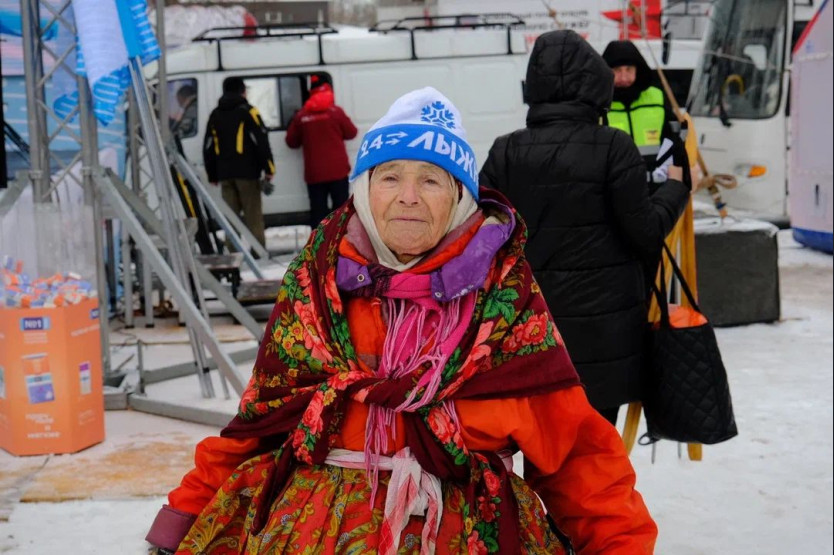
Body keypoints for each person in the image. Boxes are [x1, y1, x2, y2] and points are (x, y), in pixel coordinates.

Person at [146, 87, 657, 554]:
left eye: (430, 180)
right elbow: (259, 424)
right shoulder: (316, 289)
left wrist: (620, 546)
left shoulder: (503, 303)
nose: (408, 196)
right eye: (390, 176)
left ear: (459, 197)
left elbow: (575, 452)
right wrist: (182, 520)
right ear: (364, 190)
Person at [479, 30, 690, 426]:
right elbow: (645, 233)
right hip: (607, 333)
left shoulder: (505, 150)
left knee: (542, 444)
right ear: (595, 83)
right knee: (597, 445)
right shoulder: (613, 147)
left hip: (532, 330)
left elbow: (485, 237)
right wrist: (675, 190)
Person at [203, 76, 275, 251]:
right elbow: (261, 140)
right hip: (247, 174)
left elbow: (208, 146)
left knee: (231, 217)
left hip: (225, 174)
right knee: (253, 216)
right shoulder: (248, 111)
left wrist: (212, 174)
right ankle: (258, 253)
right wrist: (269, 168)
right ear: (242, 91)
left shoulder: (215, 114)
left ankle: (233, 252)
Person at [601, 39, 678, 189]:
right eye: (617, 70)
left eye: (629, 69)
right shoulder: (598, 104)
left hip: (657, 187)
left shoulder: (657, 98)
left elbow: (674, 138)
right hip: (615, 189)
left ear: (638, 70)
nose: (624, 77)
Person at [285, 74, 358, 229]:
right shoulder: (336, 112)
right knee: (342, 211)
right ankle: (341, 240)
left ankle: (319, 243)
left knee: (318, 213)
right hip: (338, 171)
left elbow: (291, 142)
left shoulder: (302, 116)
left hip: (315, 173)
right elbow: (352, 132)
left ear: (311, 92)